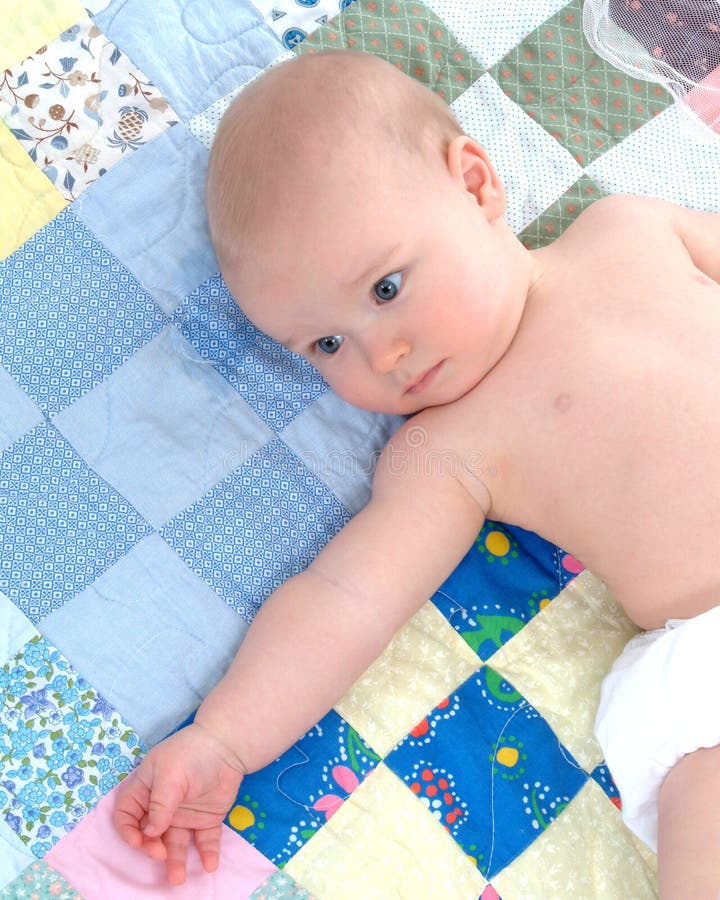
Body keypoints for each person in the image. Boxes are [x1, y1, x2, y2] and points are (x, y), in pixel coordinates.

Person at [113, 50, 720, 897]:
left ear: (474, 184)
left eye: (387, 287)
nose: (382, 354)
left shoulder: (630, 230)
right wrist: (222, 741)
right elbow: (344, 602)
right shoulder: (446, 450)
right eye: (326, 345)